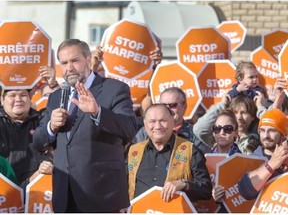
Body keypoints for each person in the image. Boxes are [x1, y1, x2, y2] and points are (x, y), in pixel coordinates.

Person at [33, 39, 137, 213]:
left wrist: (98, 112)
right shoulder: (56, 97)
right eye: (64, 63)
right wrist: (51, 126)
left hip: (102, 194)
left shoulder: (114, 89)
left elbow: (129, 128)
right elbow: (37, 142)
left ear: (88, 60)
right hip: (64, 194)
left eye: (75, 61)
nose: (69, 68)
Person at [127, 103, 212, 203]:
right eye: (152, 122)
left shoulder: (190, 150)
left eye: (163, 121)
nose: (158, 126)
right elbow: (120, 184)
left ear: (172, 121)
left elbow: (206, 190)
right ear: (145, 125)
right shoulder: (133, 151)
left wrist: (184, 184)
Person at [0, 89, 53, 189]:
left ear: (30, 98)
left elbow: (52, 151)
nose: (18, 99)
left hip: (38, 191)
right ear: (2, 100)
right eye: (12, 95)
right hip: (4, 194)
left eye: (23, 95)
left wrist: (39, 174)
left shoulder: (43, 121)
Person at [133, 87, 211, 155]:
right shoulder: (146, 131)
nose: (167, 109)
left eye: (173, 105)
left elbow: (201, 165)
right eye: (163, 105)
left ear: (184, 107)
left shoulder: (195, 135)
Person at [238, 108, 288, 200]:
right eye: (262, 130)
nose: (266, 136)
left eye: (272, 130)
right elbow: (245, 191)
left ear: (283, 135)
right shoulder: (252, 158)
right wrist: (271, 165)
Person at [194, 93, 260, 154]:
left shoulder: (260, 138)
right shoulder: (221, 135)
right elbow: (199, 129)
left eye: (243, 113)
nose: (239, 117)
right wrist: (222, 104)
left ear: (252, 116)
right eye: (235, 112)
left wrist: (260, 108)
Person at [209, 109, 241, 213]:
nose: (222, 132)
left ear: (236, 133)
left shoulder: (242, 160)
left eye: (227, 129)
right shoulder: (204, 158)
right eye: (217, 128)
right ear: (213, 133)